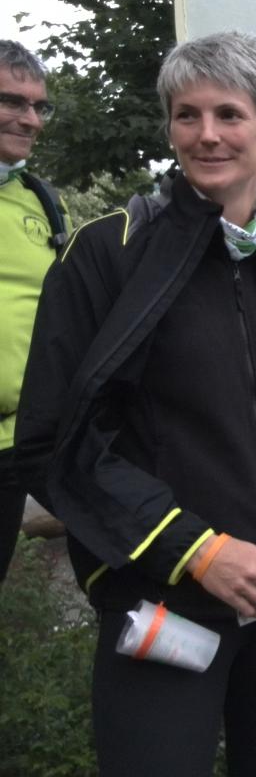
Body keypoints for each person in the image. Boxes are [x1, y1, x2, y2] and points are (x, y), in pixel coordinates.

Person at [13, 31, 256, 776]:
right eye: (187, 115)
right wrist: (197, 550)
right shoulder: (106, 254)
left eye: (229, 114)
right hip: (166, 606)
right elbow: (56, 444)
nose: (207, 134)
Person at [0, 40, 67, 583]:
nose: (31, 120)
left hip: (13, 446)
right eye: (11, 102)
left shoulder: (42, 201)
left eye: (37, 106)